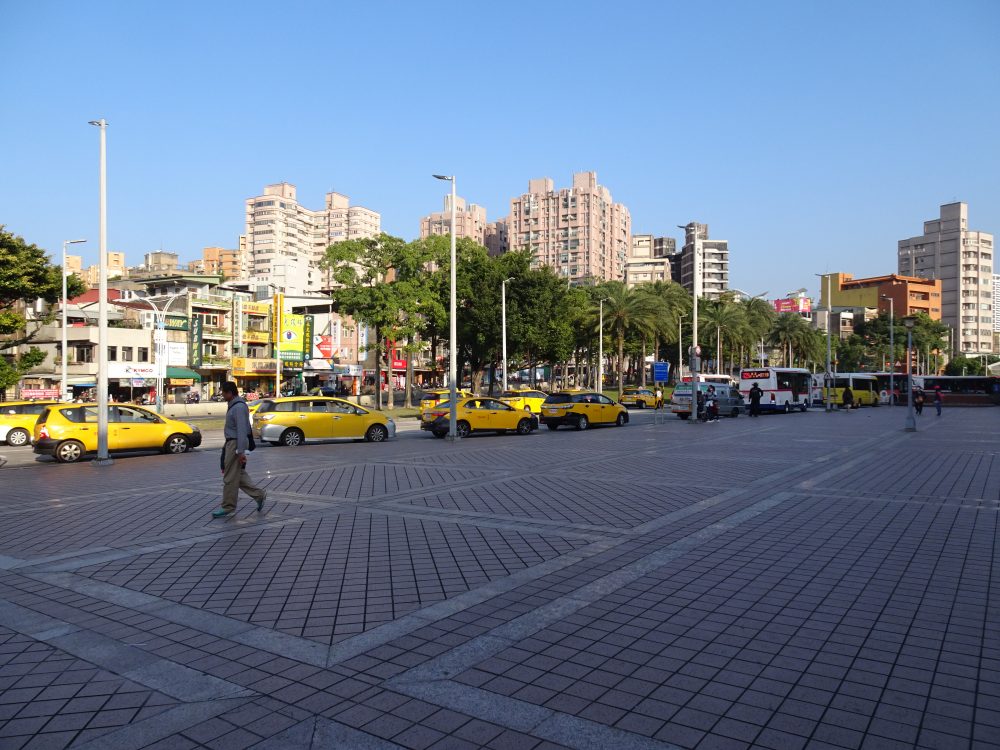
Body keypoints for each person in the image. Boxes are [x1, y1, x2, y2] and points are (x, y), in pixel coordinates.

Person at [213, 381, 267, 519]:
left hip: (235, 444)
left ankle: (228, 507)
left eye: (223, 393)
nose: (222, 395)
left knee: (230, 477)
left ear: (230, 393)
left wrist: (241, 451)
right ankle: (259, 495)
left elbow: (242, 430)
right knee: (238, 475)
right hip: (232, 443)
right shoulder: (234, 405)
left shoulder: (238, 407)